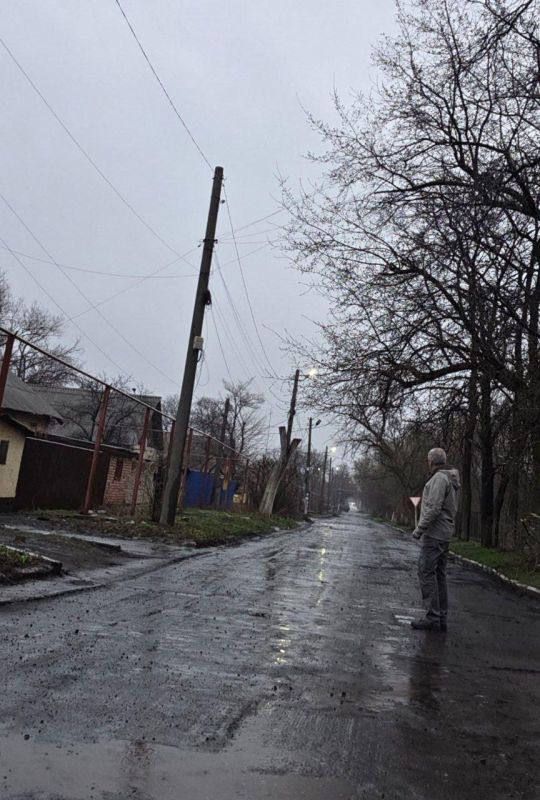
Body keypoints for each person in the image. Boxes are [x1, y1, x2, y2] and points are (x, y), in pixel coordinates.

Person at [411, 448, 460, 631]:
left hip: (435, 533)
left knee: (426, 572)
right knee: (439, 574)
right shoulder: (451, 478)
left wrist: (419, 529)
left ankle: (433, 616)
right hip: (445, 532)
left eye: (427, 460)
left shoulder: (440, 478)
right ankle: (441, 616)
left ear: (431, 461)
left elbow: (433, 507)